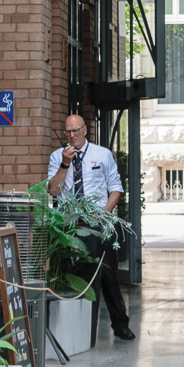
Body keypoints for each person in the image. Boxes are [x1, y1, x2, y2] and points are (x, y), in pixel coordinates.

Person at [47, 114, 136, 340]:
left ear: (85, 130)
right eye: (67, 132)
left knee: (107, 274)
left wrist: (104, 214)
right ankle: (78, 330)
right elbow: (53, 191)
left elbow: (116, 189)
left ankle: (120, 324)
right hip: (70, 229)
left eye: (75, 130)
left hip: (99, 226)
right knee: (74, 276)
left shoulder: (102, 154)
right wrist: (65, 165)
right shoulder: (57, 156)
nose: (72, 135)